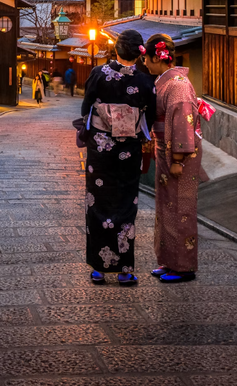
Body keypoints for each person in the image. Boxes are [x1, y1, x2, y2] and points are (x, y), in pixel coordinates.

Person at [80, 29, 156, 286]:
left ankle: (99, 269)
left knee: (97, 202)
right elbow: (150, 115)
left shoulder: (98, 73)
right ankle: (125, 270)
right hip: (129, 151)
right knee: (125, 205)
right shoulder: (145, 81)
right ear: (139, 53)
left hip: (101, 149)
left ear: (116, 49)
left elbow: (86, 107)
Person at [143, 33, 208, 283]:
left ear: (155, 58)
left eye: (146, 59)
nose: (145, 64)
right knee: (166, 205)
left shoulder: (177, 85)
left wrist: (178, 159)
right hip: (166, 150)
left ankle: (183, 266)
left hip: (179, 154)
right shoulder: (166, 82)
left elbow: (182, 124)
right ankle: (169, 260)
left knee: (181, 207)